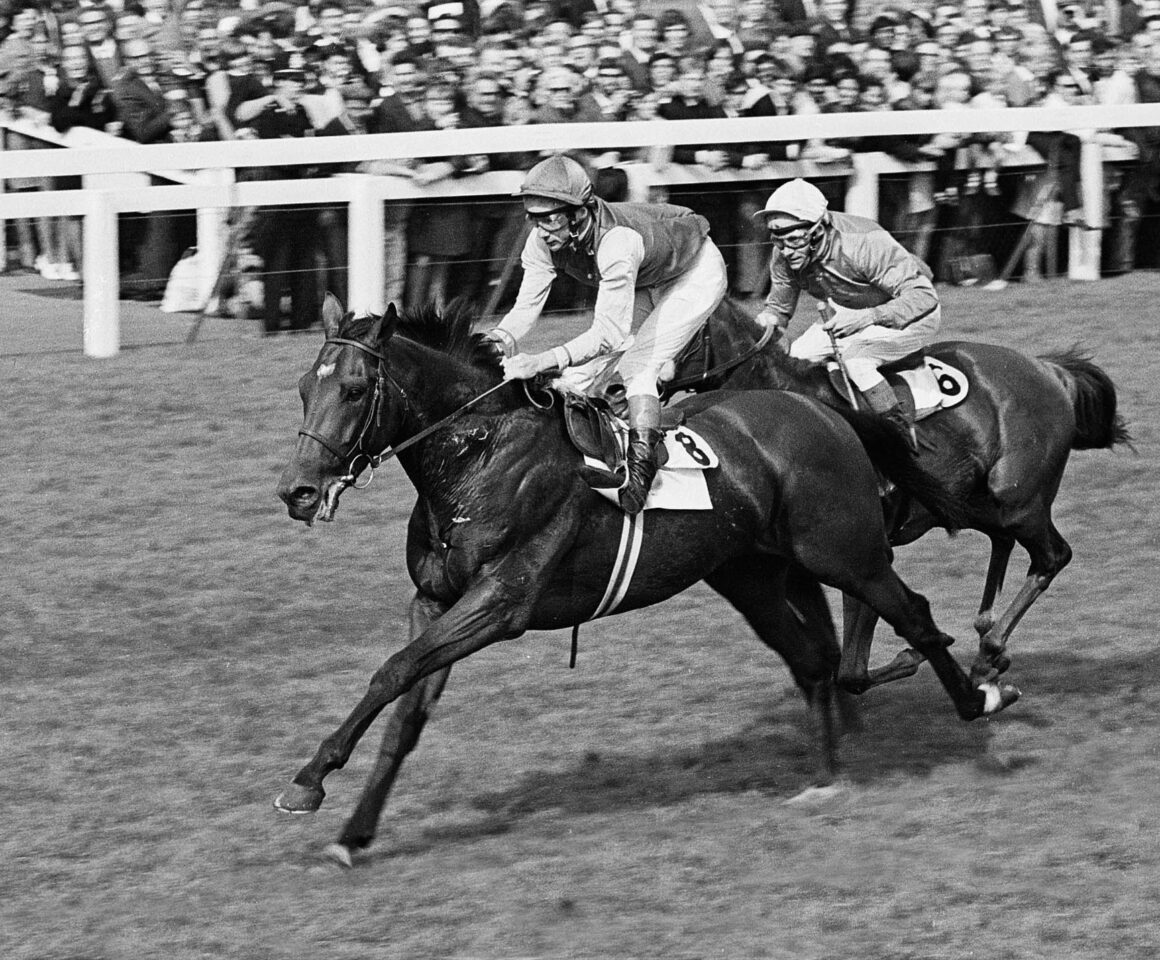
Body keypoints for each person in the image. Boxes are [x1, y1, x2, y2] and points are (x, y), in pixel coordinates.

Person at [481, 154, 728, 514]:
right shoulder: (541, 240)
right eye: (534, 218)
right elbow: (524, 310)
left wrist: (541, 360)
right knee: (578, 378)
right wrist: (498, 339)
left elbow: (609, 335)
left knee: (637, 368)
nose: (542, 230)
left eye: (550, 218)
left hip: (694, 271)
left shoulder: (617, 242)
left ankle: (641, 478)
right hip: (649, 275)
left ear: (578, 213)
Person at [752, 178, 941, 451]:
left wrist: (866, 318)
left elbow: (924, 297)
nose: (785, 251)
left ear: (818, 230)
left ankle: (898, 436)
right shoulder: (783, 254)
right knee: (792, 363)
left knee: (856, 361)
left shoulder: (864, 243)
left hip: (913, 315)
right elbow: (779, 310)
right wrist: (764, 326)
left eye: (794, 240)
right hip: (849, 311)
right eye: (778, 240)